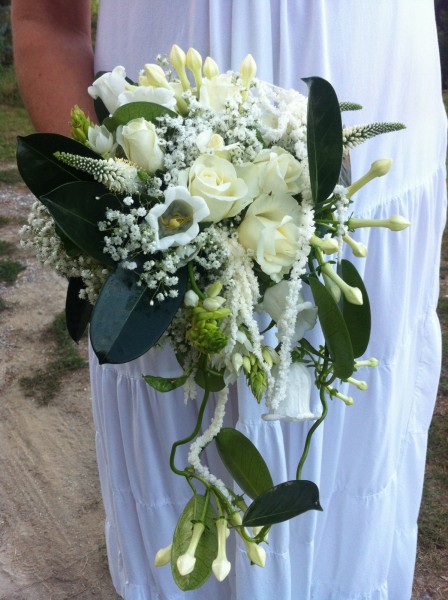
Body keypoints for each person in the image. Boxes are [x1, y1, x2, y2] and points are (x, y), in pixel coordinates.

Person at [12, 1, 447, 598]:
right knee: (184, 456)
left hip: (376, 163)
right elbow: (45, 19)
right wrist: (117, 202)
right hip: (159, 176)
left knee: (354, 468)